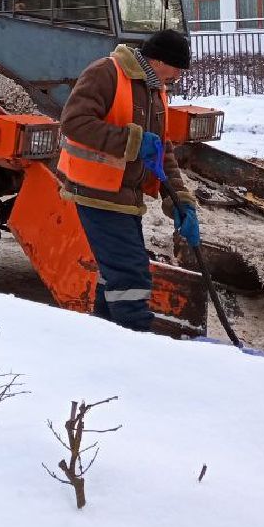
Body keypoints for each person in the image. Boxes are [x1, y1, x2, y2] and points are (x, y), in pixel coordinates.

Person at [56, 28, 200, 333]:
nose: (177, 76)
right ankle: (137, 342)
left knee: (115, 274)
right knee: (131, 276)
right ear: (159, 60)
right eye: (177, 69)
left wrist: (180, 201)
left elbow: (163, 150)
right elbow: (74, 122)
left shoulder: (153, 89)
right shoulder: (106, 73)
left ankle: (104, 336)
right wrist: (131, 142)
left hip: (124, 196)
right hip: (96, 192)